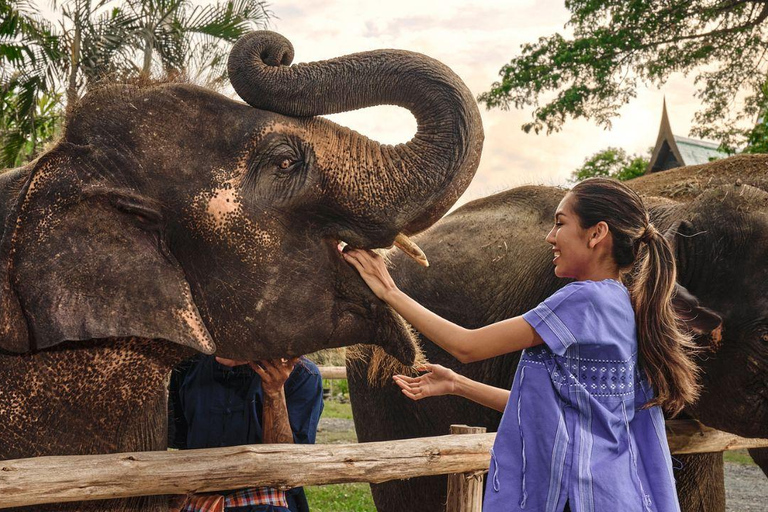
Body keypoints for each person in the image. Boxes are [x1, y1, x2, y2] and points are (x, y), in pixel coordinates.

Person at [342, 177, 699, 512]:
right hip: (614, 495)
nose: (550, 236)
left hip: (572, 496)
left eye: (560, 223)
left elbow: (467, 345)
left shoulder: (582, 300)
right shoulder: (623, 303)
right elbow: (553, 409)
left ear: (596, 234)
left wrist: (388, 289)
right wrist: (457, 384)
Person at [169, 355, 324, 512]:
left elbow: (289, 468)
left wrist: (275, 392)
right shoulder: (187, 367)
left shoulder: (302, 374)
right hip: (199, 504)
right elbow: (183, 448)